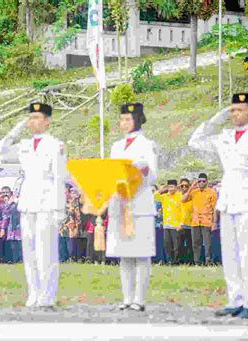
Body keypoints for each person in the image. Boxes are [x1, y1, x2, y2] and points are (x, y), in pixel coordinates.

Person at [189, 93, 248, 319]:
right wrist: (217, 119)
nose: (235, 114)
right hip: (228, 200)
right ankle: (235, 299)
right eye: (232, 110)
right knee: (230, 253)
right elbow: (195, 141)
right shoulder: (225, 136)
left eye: (240, 110)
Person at [107, 103, 158, 312]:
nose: (124, 123)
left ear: (137, 119)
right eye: (121, 119)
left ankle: (140, 298)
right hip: (120, 203)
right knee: (124, 253)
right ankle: (127, 297)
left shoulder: (148, 144)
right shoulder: (116, 146)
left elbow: (154, 175)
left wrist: (143, 169)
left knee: (141, 253)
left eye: (128, 119)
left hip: (140, 203)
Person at [17, 102, 67, 309]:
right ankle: (33, 293)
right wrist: (16, 129)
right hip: (27, 202)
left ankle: (47, 296)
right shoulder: (24, 145)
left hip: (47, 204)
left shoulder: (56, 145)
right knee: (28, 252)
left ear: (47, 121)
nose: (33, 121)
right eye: (31, 117)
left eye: (37, 117)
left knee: (46, 252)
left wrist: (60, 208)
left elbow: (59, 177)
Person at [182, 173, 217, 266]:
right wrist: (191, 187)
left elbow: (215, 209)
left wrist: (214, 222)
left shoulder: (212, 192)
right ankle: (197, 262)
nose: (201, 183)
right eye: (199, 181)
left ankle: (208, 262)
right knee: (196, 244)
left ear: (207, 182)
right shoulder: (194, 192)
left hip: (207, 221)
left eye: (203, 181)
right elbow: (183, 199)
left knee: (207, 244)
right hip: (195, 221)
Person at [157, 180, 182, 265]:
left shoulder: (180, 196)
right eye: (169, 187)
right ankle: (169, 261)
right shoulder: (164, 196)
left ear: (176, 187)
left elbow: (182, 210)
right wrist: (162, 189)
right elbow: (155, 196)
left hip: (176, 225)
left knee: (176, 245)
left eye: (172, 187)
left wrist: (181, 223)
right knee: (167, 244)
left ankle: (176, 261)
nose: (170, 189)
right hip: (166, 224)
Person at [178, 178, 194, 264]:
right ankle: (180, 262)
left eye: (186, 186)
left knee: (190, 245)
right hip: (180, 224)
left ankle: (190, 262)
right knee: (179, 245)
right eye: (182, 185)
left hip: (191, 225)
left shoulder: (192, 196)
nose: (184, 187)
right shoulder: (177, 196)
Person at [152, 185, 166, 264]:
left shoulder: (161, 199)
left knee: (159, 244)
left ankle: (160, 260)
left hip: (160, 225)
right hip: (150, 226)